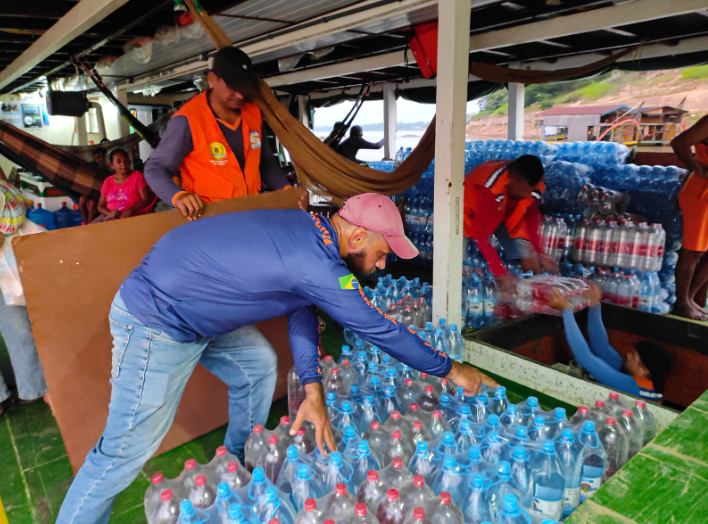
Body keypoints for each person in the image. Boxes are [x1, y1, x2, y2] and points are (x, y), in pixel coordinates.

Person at [56, 193, 496, 522]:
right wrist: (453, 370)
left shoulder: (309, 233)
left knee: (257, 365)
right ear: (358, 235)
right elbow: (378, 328)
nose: (383, 265)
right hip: (157, 318)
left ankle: (236, 464)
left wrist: (312, 389)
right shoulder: (319, 265)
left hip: (196, 310)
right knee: (123, 452)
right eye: (383, 253)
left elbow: (299, 307)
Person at [144, 46, 304, 221]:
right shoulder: (188, 120)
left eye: (243, 87)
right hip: (209, 217)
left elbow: (265, 163)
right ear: (212, 79)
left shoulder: (253, 113)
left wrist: (287, 190)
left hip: (249, 211)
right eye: (232, 87)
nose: (239, 95)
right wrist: (178, 196)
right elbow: (156, 168)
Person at [549, 284, 673, 403]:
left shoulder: (632, 387)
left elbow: (584, 356)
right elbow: (601, 347)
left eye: (634, 356)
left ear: (643, 371)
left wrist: (566, 311)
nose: (628, 354)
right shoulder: (636, 375)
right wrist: (595, 305)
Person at [0, 177, 52, 417]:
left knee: (21, 330)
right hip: (15, 260)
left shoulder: (4, 194)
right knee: (21, 330)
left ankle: (46, 391)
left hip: (10, 264)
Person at [463, 155, 554, 285]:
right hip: (468, 211)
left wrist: (539, 252)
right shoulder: (488, 188)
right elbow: (481, 236)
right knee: (458, 259)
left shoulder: (531, 185)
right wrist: (500, 272)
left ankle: (534, 294)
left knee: (528, 253)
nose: (526, 195)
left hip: (503, 209)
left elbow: (530, 218)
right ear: (511, 179)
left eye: (529, 191)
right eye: (523, 190)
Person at [671, 115, 708, 320]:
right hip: (701, 194)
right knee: (693, 251)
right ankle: (682, 303)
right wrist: (695, 166)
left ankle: (691, 298)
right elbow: (679, 142)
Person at [93, 149, 153, 223]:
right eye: (119, 161)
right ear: (112, 165)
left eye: (125, 161)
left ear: (129, 162)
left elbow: (145, 200)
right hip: (110, 217)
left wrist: (130, 210)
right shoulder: (108, 181)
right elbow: (100, 206)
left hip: (133, 216)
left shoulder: (137, 176)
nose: (123, 164)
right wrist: (110, 213)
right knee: (87, 231)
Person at [79, 147, 112, 224]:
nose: (100, 159)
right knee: (82, 199)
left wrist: (102, 169)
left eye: (102, 157)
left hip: (101, 194)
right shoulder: (89, 167)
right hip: (89, 192)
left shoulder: (108, 168)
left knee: (92, 203)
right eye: (98, 157)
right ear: (94, 158)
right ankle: (87, 223)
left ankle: (89, 225)